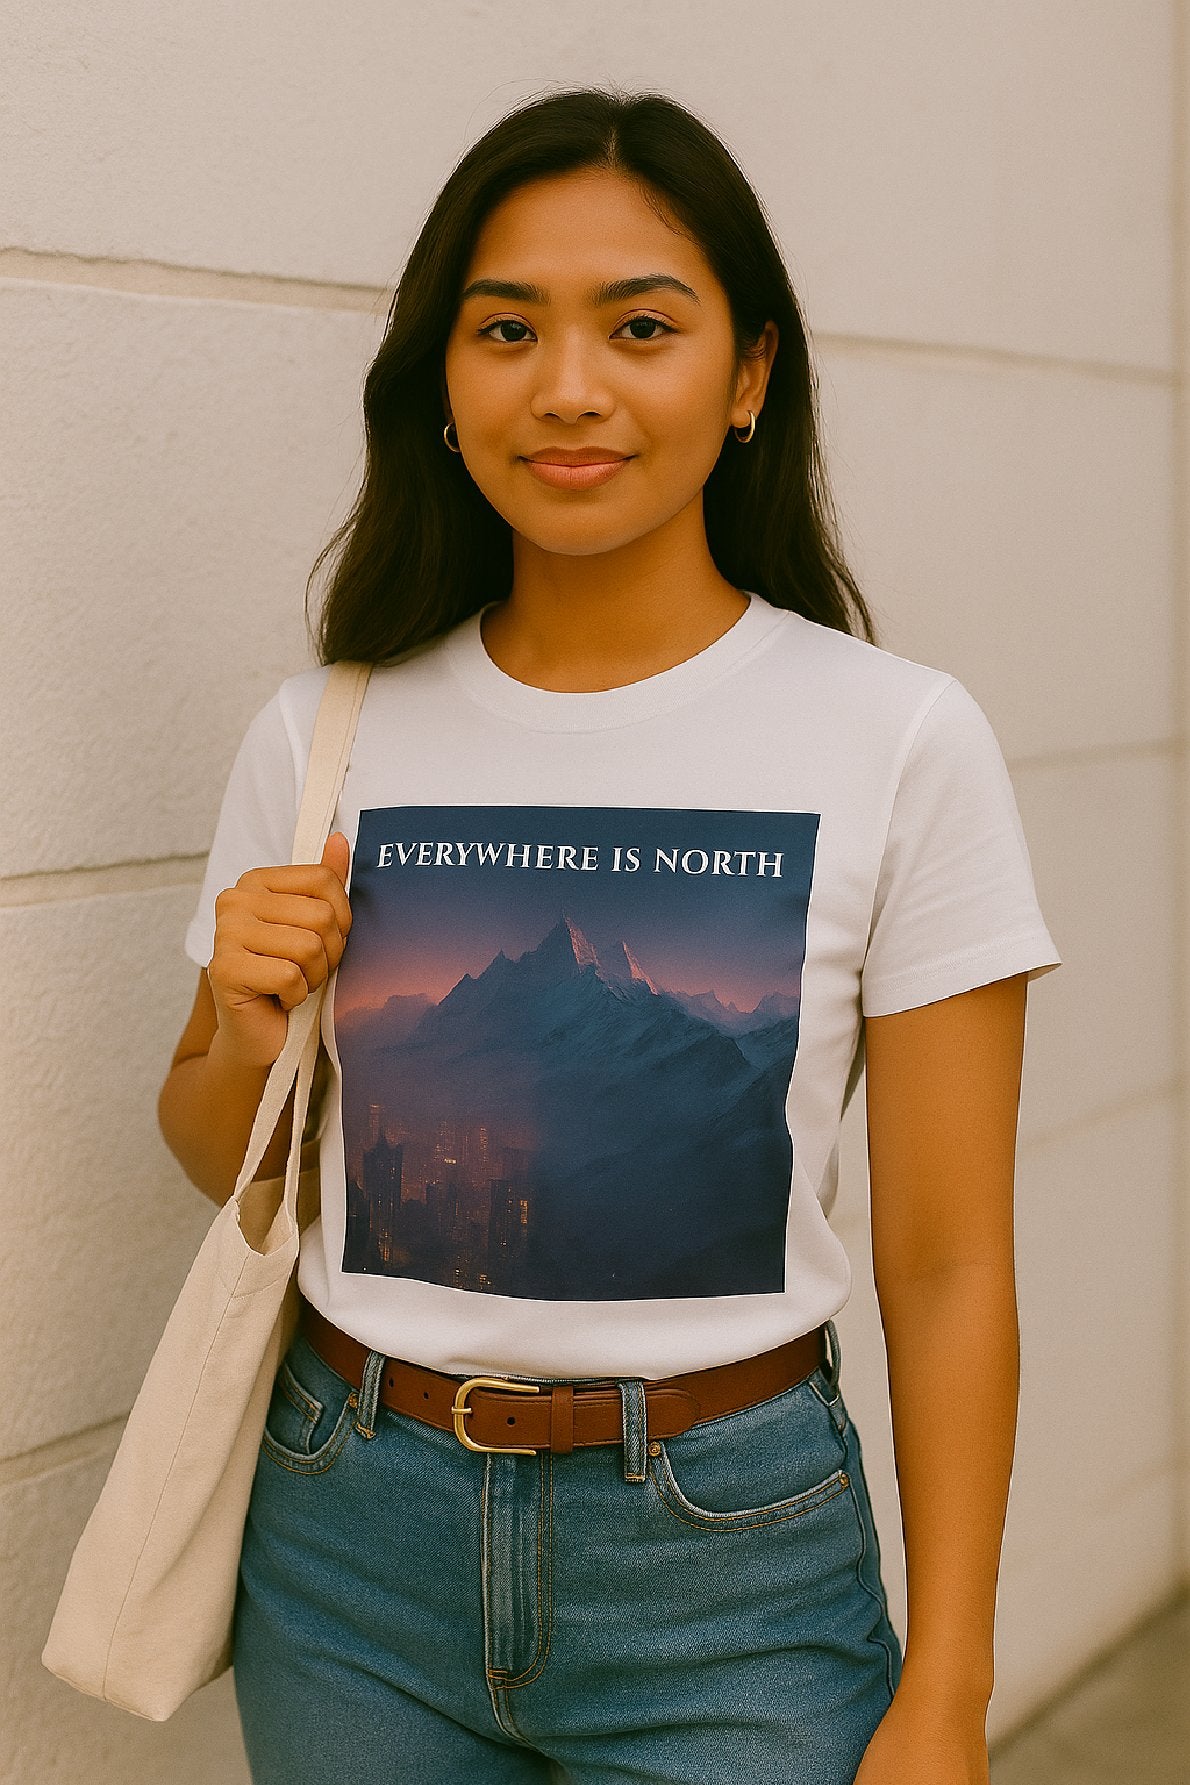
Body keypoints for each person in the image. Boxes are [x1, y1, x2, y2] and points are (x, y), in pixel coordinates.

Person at [158, 85, 1061, 1785]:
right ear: (441, 375)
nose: (567, 386)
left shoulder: (895, 736)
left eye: (639, 325)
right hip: (351, 1537)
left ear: (744, 376)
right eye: (505, 329)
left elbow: (947, 1267)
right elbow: (230, 1163)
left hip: (731, 1572)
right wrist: (246, 1029)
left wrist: (946, 1695)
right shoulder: (324, 732)